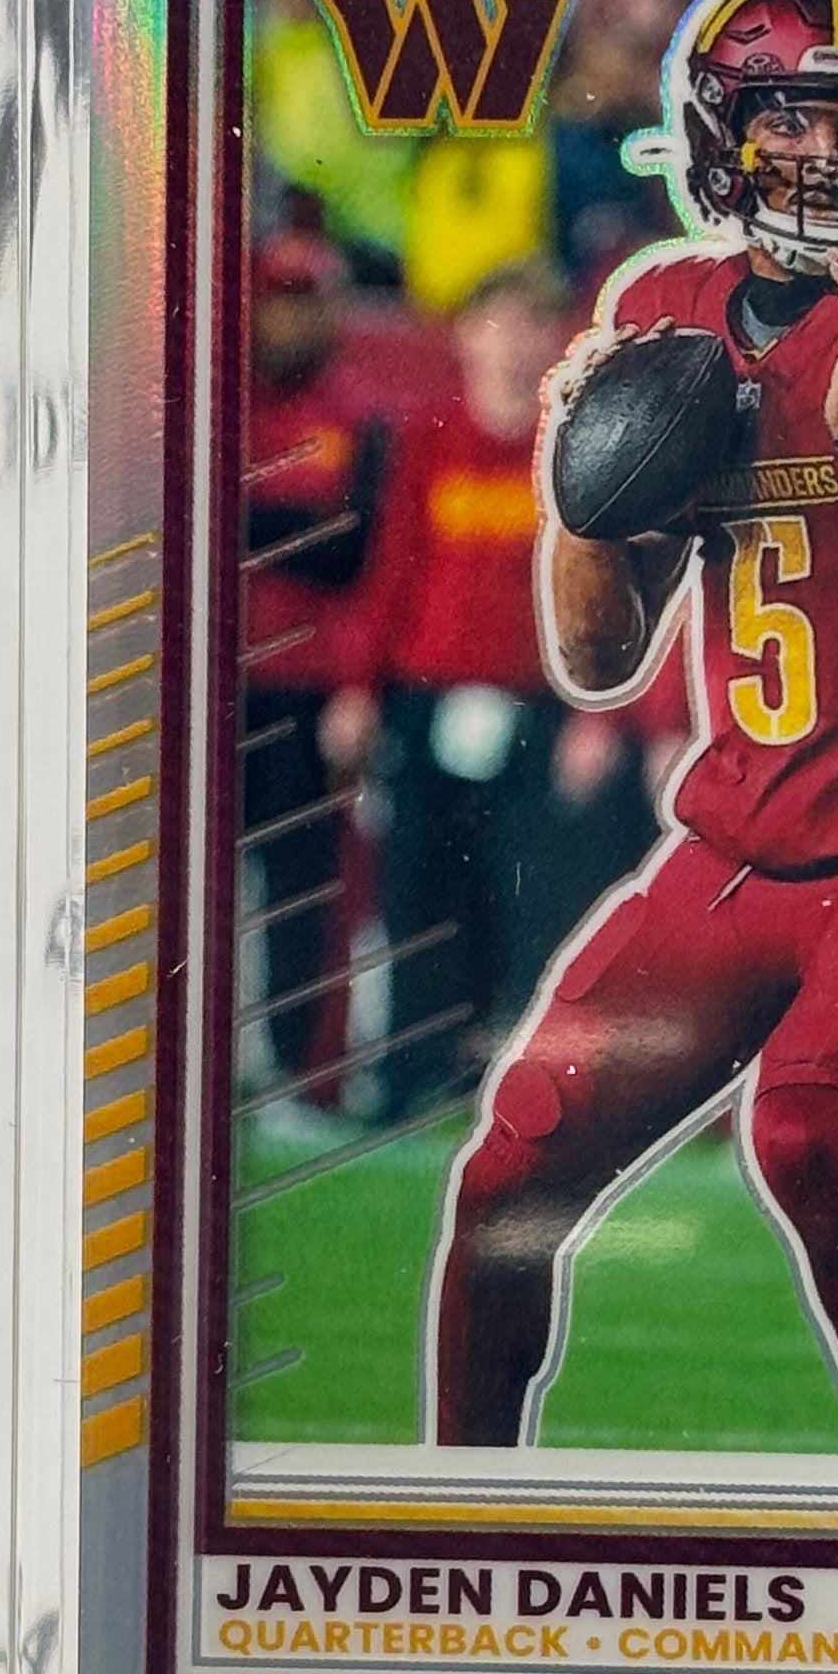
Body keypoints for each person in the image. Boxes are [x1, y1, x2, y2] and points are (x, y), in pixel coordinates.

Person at [423, 0, 838, 1461]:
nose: (826, 154)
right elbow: (599, 656)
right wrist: (581, 489)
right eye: (790, 116)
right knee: (506, 1171)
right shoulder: (667, 308)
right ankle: (460, 1505)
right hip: (729, 848)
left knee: (806, 1130)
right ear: (725, 127)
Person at [324, 261, 645, 1120]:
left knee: (531, 898)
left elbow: (609, 589)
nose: (510, 344)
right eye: (495, 323)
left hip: (538, 710)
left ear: (553, 341)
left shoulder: (574, 450)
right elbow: (392, 572)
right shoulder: (425, 441)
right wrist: (358, 691)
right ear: (465, 337)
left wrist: (598, 714)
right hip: (427, 700)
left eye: (529, 324)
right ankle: (411, 1078)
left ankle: (520, 1089)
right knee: (417, 891)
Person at [238, 230, 381, 1117]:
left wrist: (249, 523)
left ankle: (290, 1076)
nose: (294, 320)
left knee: (299, 886)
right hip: (216, 681)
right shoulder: (215, 405)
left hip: (305, 680)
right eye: (280, 301)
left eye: (308, 301)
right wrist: (297, 530)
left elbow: (355, 551)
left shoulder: (355, 416)